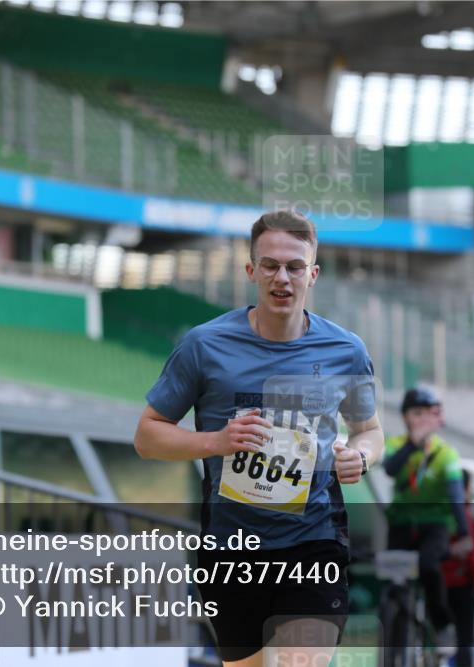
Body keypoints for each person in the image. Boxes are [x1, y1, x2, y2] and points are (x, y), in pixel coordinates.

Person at [135, 210, 385, 667]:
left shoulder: (345, 350)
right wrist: (217, 442)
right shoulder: (203, 346)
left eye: (294, 266)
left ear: (313, 274)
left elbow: (369, 430)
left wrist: (361, 458)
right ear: (251, 270)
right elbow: (148, 436)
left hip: (314, 542)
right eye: (269, 265)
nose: (282, 277)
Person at [382, 386, 471, 652]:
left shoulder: (447, 454)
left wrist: (465, 534)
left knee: (430, 567)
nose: (420, 419)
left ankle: (442, 624)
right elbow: (390, 469)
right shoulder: (396, 444)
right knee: (392, 586)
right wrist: (413, 443)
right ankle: (392, 647)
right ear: (406, 417)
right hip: (401, 524)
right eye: (415, 413)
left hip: (434, 526)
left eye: (427, 413)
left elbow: (456, 496)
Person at [442, 468, 474, 667]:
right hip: (460, 582)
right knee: (464, 636)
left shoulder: (435, 512)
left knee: (439, 632)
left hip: (437, 581)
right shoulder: (463, 515)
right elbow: (472, 553)